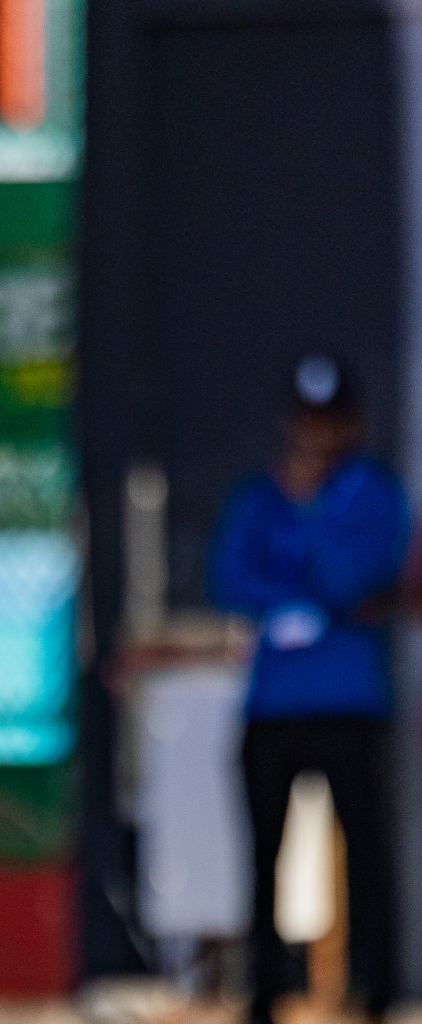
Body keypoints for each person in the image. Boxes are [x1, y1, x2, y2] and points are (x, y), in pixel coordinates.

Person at [209, 353, 406, 1024]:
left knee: (365, 853)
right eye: (306, 421)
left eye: (329, 422)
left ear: (351, 425)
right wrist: (292, 602)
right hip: (274, 703)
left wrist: (314, 515)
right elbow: (229, 578)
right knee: (266, 854)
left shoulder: (372, 494)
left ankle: (373, 991)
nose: (315, 436)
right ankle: (266, 992)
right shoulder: (258, 496)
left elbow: (357, 577)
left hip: (348, 700)